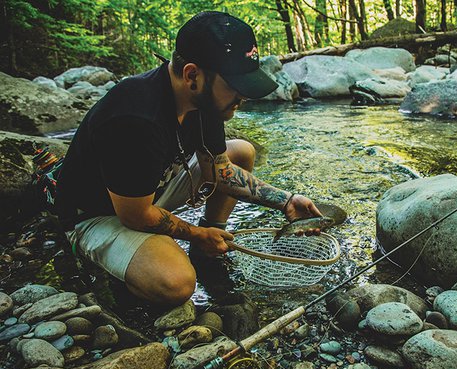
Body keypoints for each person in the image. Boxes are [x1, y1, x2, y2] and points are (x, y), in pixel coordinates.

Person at [55, 11, 322, 305]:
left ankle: (213, 237)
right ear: (192, 74)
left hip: (149, 191)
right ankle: (122, 271)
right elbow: (135, 215)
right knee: (177, 283)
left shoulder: (203, 101)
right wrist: (195, 234)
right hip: (100, 214)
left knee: (242, 152)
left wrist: (285, 200)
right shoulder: (135, 118)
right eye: (234, 86)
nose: (242, 97)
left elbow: (220, 170)